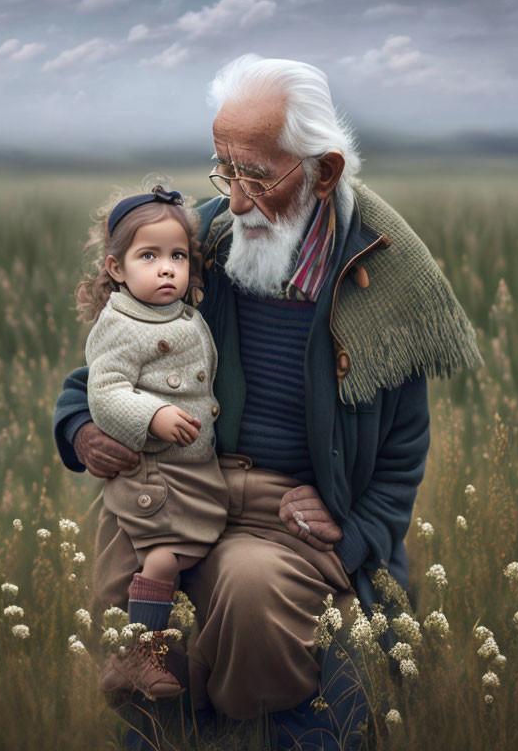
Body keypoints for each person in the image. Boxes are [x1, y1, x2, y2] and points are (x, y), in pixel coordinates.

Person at [54, 56, 481, 748]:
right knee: (127, 557)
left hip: (291, 515)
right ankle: (174, 719)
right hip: (192, 481)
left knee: (249, 588)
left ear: (325, 171)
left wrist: (356, 527)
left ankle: (237, 725)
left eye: (257, 173)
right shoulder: (205, 246)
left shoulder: (388, 280)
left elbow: (402, 451)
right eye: (225, 169)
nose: (237, 198)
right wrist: (80, 429)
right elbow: (104, 369)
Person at [75, 184, 229, 700]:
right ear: (117, 269)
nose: (167, 269)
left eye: (178, 256)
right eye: (149, 256)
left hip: (190, 469)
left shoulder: (183, 314)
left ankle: (157, 657)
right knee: (162, 557)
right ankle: (141, 650)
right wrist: (155, 414)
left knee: (187, 549)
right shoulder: (120, 323)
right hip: (155, 471)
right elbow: (105, 390)